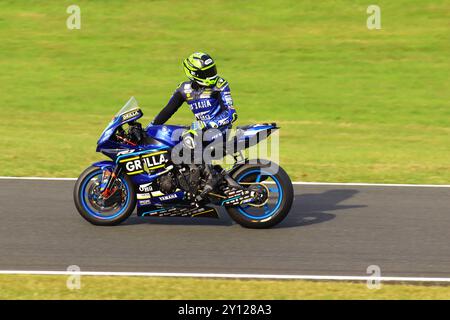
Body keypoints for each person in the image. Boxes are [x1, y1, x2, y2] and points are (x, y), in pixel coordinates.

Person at [151, 52, 238, 197]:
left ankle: (211, 178)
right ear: (194, 74)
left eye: (212, 70)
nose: (212, 75)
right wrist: (150, 128)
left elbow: (231, 114)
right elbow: (167, 111)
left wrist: (207, 124)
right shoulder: (184, 89)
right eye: (207, 73)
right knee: (173, 141)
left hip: (220, 130)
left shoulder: (220, 85)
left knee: (189, 138)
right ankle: (192, 181)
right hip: (201, 132)